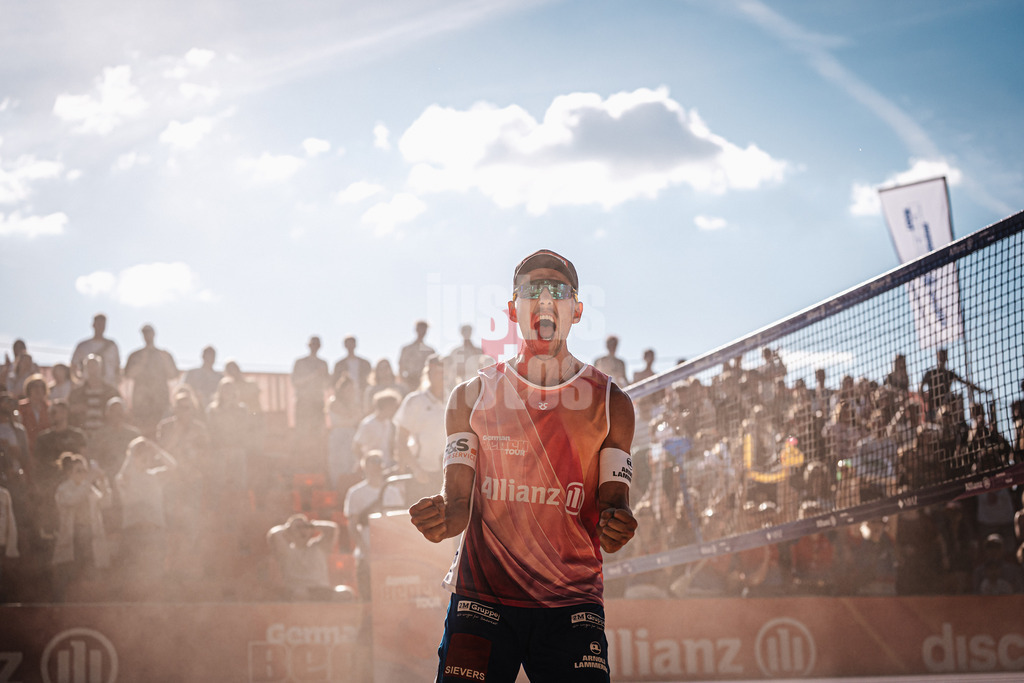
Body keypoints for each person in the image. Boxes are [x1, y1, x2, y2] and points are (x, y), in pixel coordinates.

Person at [409, 249, 637, 682]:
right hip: (483, 600)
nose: (546, 298)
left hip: (569, 602)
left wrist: (618, 524)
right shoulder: (471, 397)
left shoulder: (612, 404)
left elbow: (614, 507)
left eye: (559, 290)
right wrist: (440, 516)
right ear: (514, 310)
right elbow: (457, 506)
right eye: (534, 289)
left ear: (577, 311)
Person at [51, 452, 112, 601]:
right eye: (79, 470)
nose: (83, 474)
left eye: (85, 470)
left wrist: (103, 481)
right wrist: (89, 480)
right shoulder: (63, 489)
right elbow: (74, 499)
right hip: (73, 542)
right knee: (70, 580)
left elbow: (106, 502)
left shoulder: (91, 489)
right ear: (69, 473)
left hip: (91, 540)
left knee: (89, 577)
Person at [344, 451, 404, 600]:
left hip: (390, 553)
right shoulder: (355, 492)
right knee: (368, 598)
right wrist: (365, 550)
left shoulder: (393, 491)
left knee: (391, 596)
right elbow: (352, 524)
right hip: (367, 552)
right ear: (365, 467)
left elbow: (400, 524)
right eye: (371, 463)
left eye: (378, 463)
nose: (375, 467)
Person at [394, 355, 446, 501]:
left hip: (449, 474)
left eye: (443, 372)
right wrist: (416, 469)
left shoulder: (456, 399)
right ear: (428, 374)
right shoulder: (414, 400)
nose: (440, 377)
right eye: (436, 372)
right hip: (422, 475)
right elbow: (400, 441)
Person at [266, 513, 350, 601]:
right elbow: (274, 534)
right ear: (289, 532)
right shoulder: (286, 551)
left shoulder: (319, 547)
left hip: (322, 591)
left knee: (346, 593)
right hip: (300, 591)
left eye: (305, 527)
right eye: (298, 528)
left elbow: (332, 529)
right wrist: (289, 526)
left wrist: (312, 524)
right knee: (300, 594)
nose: (302, 531)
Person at [124, 324, 179, 436]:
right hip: (141, 405)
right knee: (142, 434)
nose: (147, 336)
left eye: (149, 333)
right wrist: (142, 361)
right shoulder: (135, 355)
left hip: (160, 403)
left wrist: (164, 362)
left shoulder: (164, 355)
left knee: (162, 433)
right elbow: (128, 375)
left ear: (154, 334)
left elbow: (173, 375)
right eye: (145, 333)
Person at [919, 348, 986, 422]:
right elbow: (921, 386)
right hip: (933, 409)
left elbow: (966, 383)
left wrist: (982, 390)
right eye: (941, 355)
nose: (942, 358)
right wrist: (924, 399)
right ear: (937, 357)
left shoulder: (949, 374)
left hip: (947, 407)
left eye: (944, 355)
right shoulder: (931, 373)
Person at [67, 355, 121, 437]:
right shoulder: (77, 393)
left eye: (95, 366)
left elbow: (119, 410)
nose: (92, 369)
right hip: (83, 434)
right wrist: (75, 409)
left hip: (106, 435)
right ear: (85, 369)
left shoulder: (111, 392)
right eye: (89, 366)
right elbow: (67, 411)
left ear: (100, 368)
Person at [70, 314, 121, 386]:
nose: (100, 327)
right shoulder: (83, 346)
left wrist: (117, 382)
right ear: (93, 325)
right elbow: (73, 365)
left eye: (103, 325)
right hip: (87, 386)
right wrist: (78, 380)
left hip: (108, 386)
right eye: (98, 324)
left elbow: (117, 367)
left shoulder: (112, 345)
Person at [397, 320, 436, 393]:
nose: (422, 331)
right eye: (420, 328)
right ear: (416, 330)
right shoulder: (407, 349)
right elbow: (401, 365)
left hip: (425, 382)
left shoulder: (430, 351)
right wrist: (404, 380)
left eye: (424, 329)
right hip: (409, 382)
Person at [332, 335, 372, 401]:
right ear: (345, 345)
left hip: (363, 396)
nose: (350, 346)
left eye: (352, 343)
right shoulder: (339, 364)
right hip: (345, 399)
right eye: (348, 343)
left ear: (355, 344)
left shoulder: (365, 363)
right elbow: (335, 382)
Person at [181, 346, 222, 410]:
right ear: (203, 356)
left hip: (214, 411)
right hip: (194, 410)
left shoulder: (219, 377)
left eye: (212, 356)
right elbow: (183, 389)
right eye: (208, 356)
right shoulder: (192, 373)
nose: (210, 359)